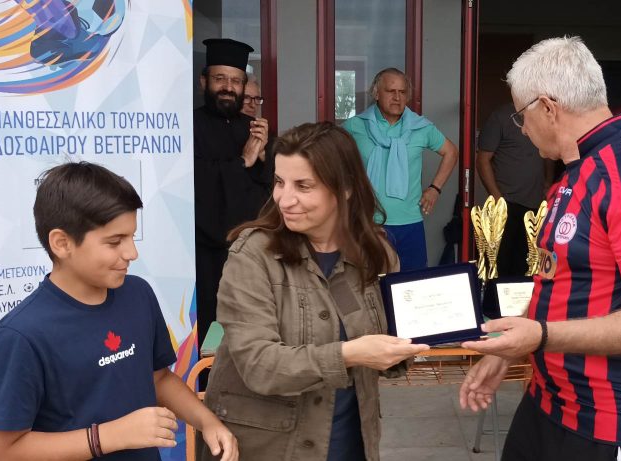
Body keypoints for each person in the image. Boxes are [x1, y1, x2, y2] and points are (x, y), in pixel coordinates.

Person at [459, 36, 621, 461]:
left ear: (548, 108)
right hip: (549, 403)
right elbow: (559, 278)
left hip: (614, 420)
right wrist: (514, 346)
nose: (522, 128)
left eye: (522, 116)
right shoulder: (576, 172)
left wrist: (540, 336)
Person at [201, 122, 429, 461]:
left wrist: (421, 335)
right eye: (279, 182)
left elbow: (389, 337)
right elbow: (259, 364)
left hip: (350, 445)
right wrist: (349, 354)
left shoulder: (375, 253)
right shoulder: (252, 255)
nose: (284, 199)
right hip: (267, 449)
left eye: (303, 186)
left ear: (345, 187)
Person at [0, 162, 237, 461]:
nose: (131, 253)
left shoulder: (138, 294)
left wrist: (206, 421)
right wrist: (108, 436)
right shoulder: (20, 336)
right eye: (115, 242)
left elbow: (158, 379)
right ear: (62, 243)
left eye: (131, 237)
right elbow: (1, 451)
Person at [194, 38, 274, 347]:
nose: (228, 87)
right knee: (209, 333)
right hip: (206, 255)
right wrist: (243, 162)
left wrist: (265, 158)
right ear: (204, 82)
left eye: (236, 81)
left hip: (251, 252)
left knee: (254, 327)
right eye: (220, 78)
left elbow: (274, 191)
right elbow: (198, 182)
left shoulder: (255, 129)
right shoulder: (188, 126)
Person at [343, 68, 459, 270]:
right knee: (367, 284)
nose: (397, 97)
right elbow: (329, 154)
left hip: (409, 223)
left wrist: (435, 188)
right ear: (376, 94)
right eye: (390, 91)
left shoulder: (421, 127)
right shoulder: (356, 125)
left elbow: (451, 152)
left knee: (411, 284)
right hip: (367, 223)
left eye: (402, 92)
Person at [476, 100, 554, 277]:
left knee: (529, 266)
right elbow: (482, 160)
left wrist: (548, 183)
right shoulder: (500, 117)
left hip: (535, 205)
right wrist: (497, 198)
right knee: (499, 265)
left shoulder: (544, 115)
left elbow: (549, 153)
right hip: (506, 205)